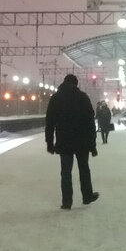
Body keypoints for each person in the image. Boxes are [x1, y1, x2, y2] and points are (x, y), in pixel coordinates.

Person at [44, 73, 99, 210]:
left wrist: (50, 143)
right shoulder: (83, 97)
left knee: (66, 172)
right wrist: (92, 145)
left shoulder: (56, 98)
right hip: (82, 142)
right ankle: (87, 196)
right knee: (84, 169)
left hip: (64, 141)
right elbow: (90, 123)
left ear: (64, 82)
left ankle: (67, 202)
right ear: (76, 84)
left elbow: (50, 123)